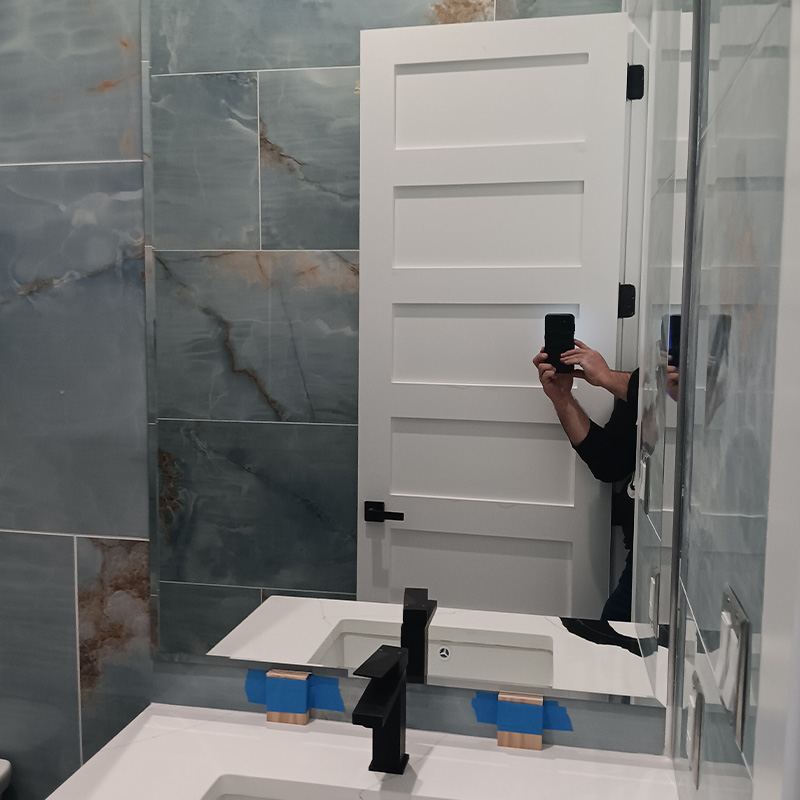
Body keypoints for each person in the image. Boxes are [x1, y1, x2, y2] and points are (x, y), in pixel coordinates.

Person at [533, 341, 638, 621]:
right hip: (644, 558)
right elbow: (610, 463)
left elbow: (672, 398)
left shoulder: (668, 386)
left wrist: (606, 377)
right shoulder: (644, 385)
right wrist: (562, 398)